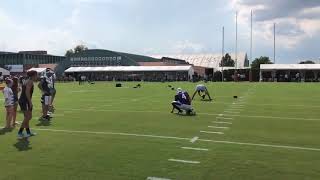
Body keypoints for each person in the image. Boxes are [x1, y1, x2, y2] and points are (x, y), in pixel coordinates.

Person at [18, 70, 37, 138]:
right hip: (25, 101)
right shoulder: (30, 82)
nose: (37, 77)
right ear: (33, 75)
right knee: (28, 117)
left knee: (27, 117)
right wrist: (30, 102)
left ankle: (28, 132)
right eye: (36, 75)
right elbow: (27, 92)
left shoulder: (27, 80)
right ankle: (20, 132)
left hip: (24, 101)